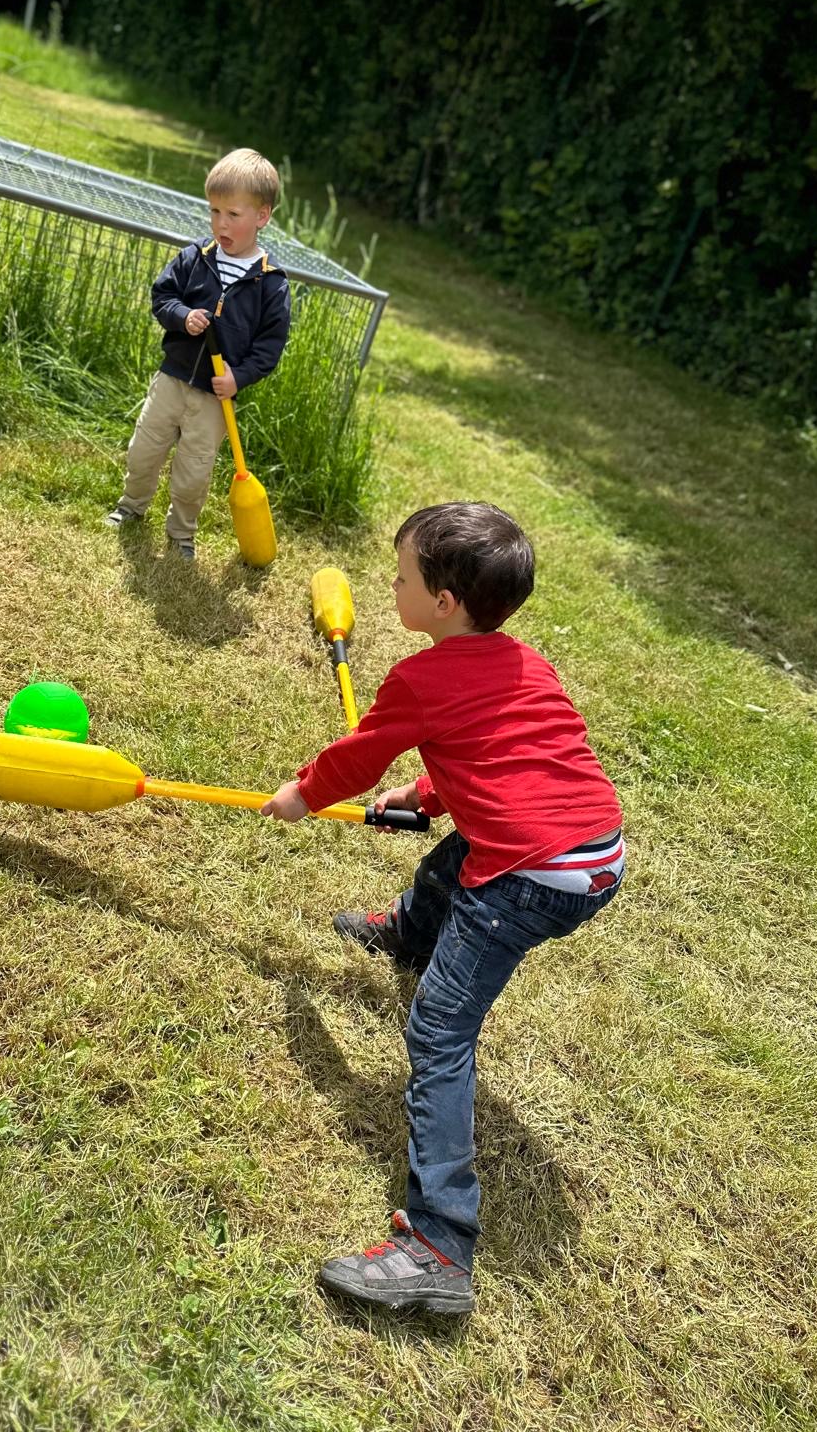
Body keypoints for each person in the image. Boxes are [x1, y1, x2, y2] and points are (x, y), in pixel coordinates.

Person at [261, 502, 624, 1314]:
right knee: (457, 857)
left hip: (532, 878)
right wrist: (426, 793)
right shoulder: (527, 663)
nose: (392, 586)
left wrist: (303, 796)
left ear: (444, 603)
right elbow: (506, 753)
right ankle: (409, 932)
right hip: (596, 852)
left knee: (438, 1030)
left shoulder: (419, 679)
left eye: (401, 578)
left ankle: (438, 1245)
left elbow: (357, 756)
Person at [105, 149, 291, 560]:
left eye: (233, 214)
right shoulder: (196, 257)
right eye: (214, 211)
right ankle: (131, 507)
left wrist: (238, 378)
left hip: (213, 399)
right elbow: (162, 296)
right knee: (144, 450)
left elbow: (269, 347)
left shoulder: (270, 283)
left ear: (262, 216)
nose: (220, 223)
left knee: (194, 472)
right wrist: (182, 315)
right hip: (172, 379)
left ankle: (181, 534)